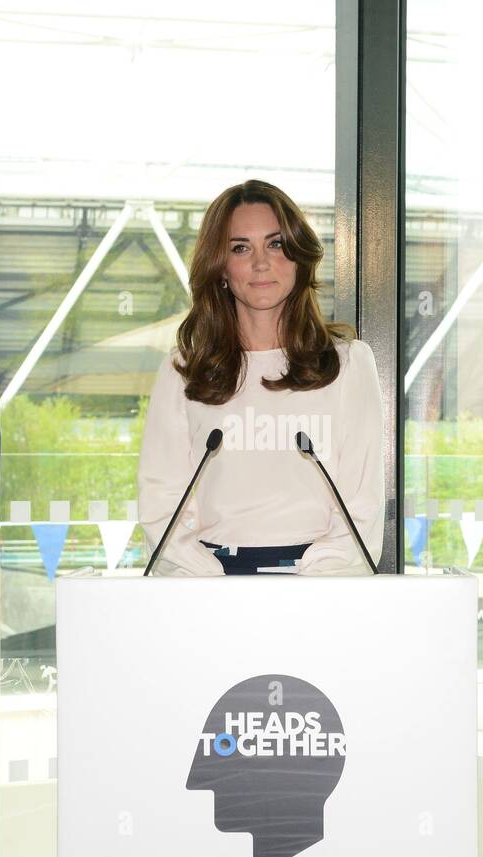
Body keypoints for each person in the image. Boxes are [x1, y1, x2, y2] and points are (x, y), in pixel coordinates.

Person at [138, 180, 382, 575]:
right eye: (240, 248)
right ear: (220, 268)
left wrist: (313, 579)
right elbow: (160, 498)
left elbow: (362, 502)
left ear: (299, 257)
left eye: (275, 243)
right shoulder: (183, 370)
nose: (261, 263)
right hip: (208, 585)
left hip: (321, 586)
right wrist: (206, 579)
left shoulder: (350, 366)